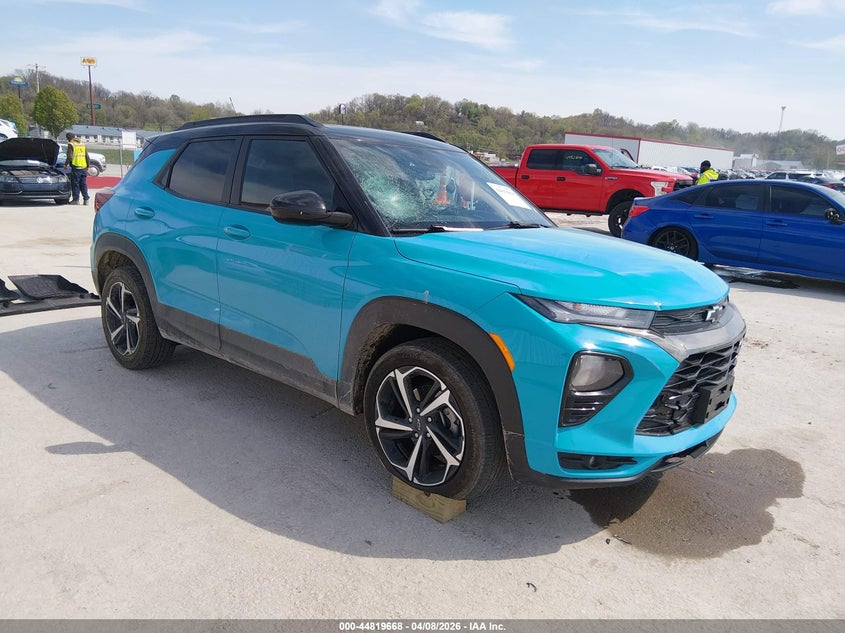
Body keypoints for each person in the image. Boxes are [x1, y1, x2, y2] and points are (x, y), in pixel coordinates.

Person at [65, 132, 90, 204]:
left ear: (68, 138)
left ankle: (76, 200)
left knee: (75, 184)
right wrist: (88, 165)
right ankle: (86, 199)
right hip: (84, 167)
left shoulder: (71, 144)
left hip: (76, 166)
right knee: (83, 184)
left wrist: (65, 164)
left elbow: (70, 156)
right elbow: (87, 156)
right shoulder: (82, 144)